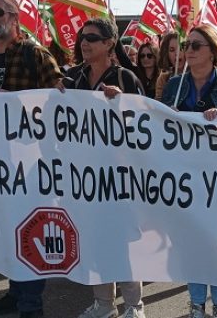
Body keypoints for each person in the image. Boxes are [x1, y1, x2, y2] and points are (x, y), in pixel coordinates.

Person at [0, 0, 64, 318]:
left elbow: (59, 99)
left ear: (15, 17)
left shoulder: (34, 54)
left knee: (29, 228)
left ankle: (31, 304)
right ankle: (14, 292)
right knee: (6, 228)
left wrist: (15, 100)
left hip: (29, 162)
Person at [161, 24, 217, 318]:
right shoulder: (174, 85)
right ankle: (197, 304)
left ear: (212, 50)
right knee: (192, 242)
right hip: (185, 179)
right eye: (187, 45)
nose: (189, 50)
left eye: (196, 45)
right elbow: (159, 125)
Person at [70, 19, 145, 318]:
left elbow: (143, 121)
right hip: (86, 177)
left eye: (92, 38)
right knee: (93, 240)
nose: (84, 43)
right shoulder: (76, 79)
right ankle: (103, 303)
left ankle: (133, 305)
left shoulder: (125, 78)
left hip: (121, 176)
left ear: (109, 44)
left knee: (123, 241)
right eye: (82, 37)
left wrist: (123, 102)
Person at [154, 32, 181, 100]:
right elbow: (159, 104)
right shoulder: (164, 78)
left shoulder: (196, 76)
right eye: (172, 50)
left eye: (181, 48)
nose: (177, 53)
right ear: (167, 54)